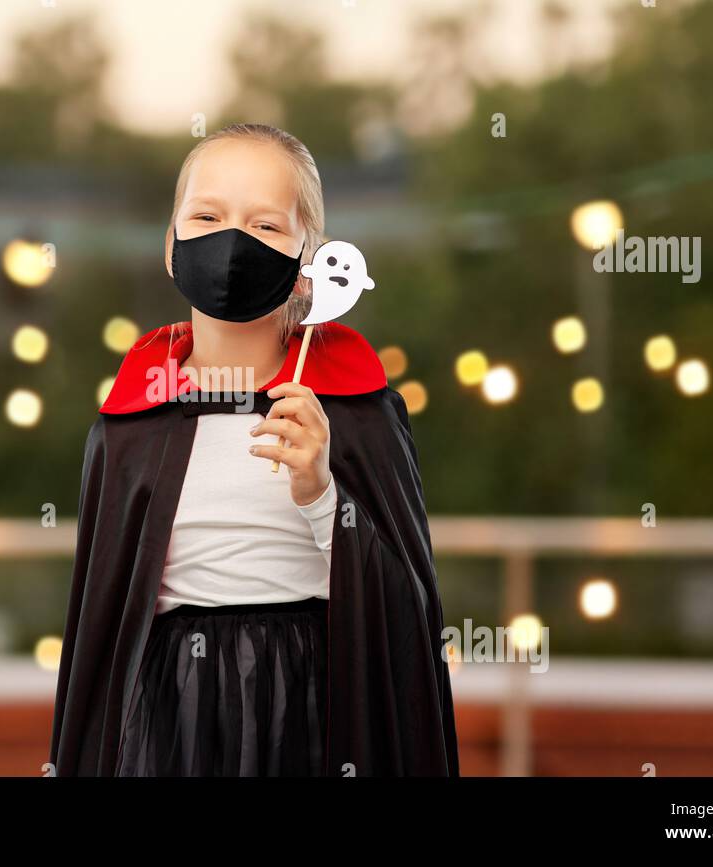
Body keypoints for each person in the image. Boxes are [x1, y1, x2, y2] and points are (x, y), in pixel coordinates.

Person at [48, 122, 458, 776]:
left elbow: (406, 611)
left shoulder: (356, 411)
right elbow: (102, 629)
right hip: (166, 713)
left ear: (308, 266)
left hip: (313, 708)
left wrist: (322, 494)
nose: (231, 240)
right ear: (171, 245)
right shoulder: (129, 424)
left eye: (266, 226)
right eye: (207, 215)